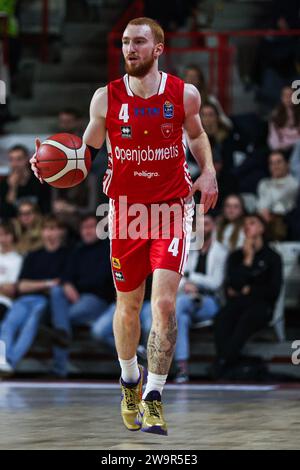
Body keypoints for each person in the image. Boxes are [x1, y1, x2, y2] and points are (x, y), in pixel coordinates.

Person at [30, 17, 218, 436]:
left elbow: (198, 133)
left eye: (139, 42)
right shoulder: (106, 98)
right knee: (129, 305)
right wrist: (48, 161)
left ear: (158, 49)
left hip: (171, 209)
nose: (130, 49)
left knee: (165, 304)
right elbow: (83, 152)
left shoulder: (183, 93)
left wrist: (207, 171)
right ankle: (129, 380)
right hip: (125, 213)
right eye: (125, 43)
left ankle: (153, 395)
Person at [213, 214, 282, 379]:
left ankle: (224, 362)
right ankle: (228, 362)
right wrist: (248, 259)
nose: (247, 226)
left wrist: (248, 289)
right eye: (245, 224)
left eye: (252, 223)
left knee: (248, 317)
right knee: (222, 317)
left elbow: (273, 290)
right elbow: (233, 285)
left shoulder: (272, 257)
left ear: (261, 229)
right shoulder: (236, 256)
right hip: (239, 302)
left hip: (262, 305)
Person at [0, 216, 68, 375]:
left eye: (53, 229)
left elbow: (59, 284)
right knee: (8, 323)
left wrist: (34, 285)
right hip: (24, 298)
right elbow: (21, 286)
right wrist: (46, 283)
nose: (49, 233)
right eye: (46, 229)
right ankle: (3, 361)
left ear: (60, 232)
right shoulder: (33, 255)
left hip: (45, 301)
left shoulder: (67, 254)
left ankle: (10, 362)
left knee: (30, 324)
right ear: (42, 233)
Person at [50, 214, 114, 377]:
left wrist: (75, 287)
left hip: (97, 300)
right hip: (77, 299)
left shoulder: (108, 249)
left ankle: (59, 365)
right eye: (84, 228)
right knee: (57, 291)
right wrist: (67, 284)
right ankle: (61, 333)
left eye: (91, 227)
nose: (87, 231)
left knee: (60, 320)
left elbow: (100, 281)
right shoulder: (77, 250)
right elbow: (65, 274)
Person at [174, 214, 227, 383]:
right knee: (180, 318)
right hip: (188, 300)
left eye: (208, 223)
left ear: (214, 227)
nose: (204, 227)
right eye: (201, 224)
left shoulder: (221, 252)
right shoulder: (189, 247)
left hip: (210, 302)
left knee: (178, 306)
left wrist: (192, 279)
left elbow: (216, 283)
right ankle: (182, 367)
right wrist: (187, 285)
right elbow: (178, 276)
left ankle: (156, 353)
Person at [0, 145, 51, 219]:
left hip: (38, 222)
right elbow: (6, 213)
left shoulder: (39, 180)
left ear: (27, 159)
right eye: (11, 160)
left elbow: (46, 208)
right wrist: (13, 188)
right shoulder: (4, 184)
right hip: (15, 225)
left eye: (19, 159)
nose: (15, 164)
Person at [257, 150, 299, 240]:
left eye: (278, 162)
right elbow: (262, 205)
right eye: (271, 163)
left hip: (285, 222)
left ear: (287, 164)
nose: (275, 166)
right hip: (263, 219)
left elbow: (283, 206)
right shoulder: (263, 183)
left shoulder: (295, 184)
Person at [0, 221, 22, 321]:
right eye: (0, 235)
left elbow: (10, 290)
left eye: (6, 235)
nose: (3, 239)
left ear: (13, 236)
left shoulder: (18, 259)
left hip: (3, 302)